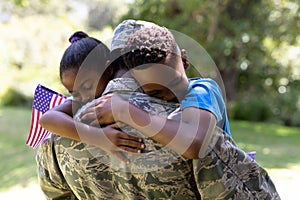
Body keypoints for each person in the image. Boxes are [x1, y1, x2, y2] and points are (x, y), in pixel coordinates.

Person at [82, 25, 280, 199]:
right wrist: (97, 136)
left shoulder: (202, 90)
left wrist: (126, 112)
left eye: (176, 82)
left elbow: (195, 144)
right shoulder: (141, 101)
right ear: (139, 86)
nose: (171, 95)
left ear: (184, 61)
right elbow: (53, 118)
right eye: (156, 92)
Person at [37, 21, 201, 199]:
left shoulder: (56, 141)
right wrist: (96, 136)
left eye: (86, 86)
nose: (82, 97)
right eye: (74, 93)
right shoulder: (190, 124)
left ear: (109, 69)